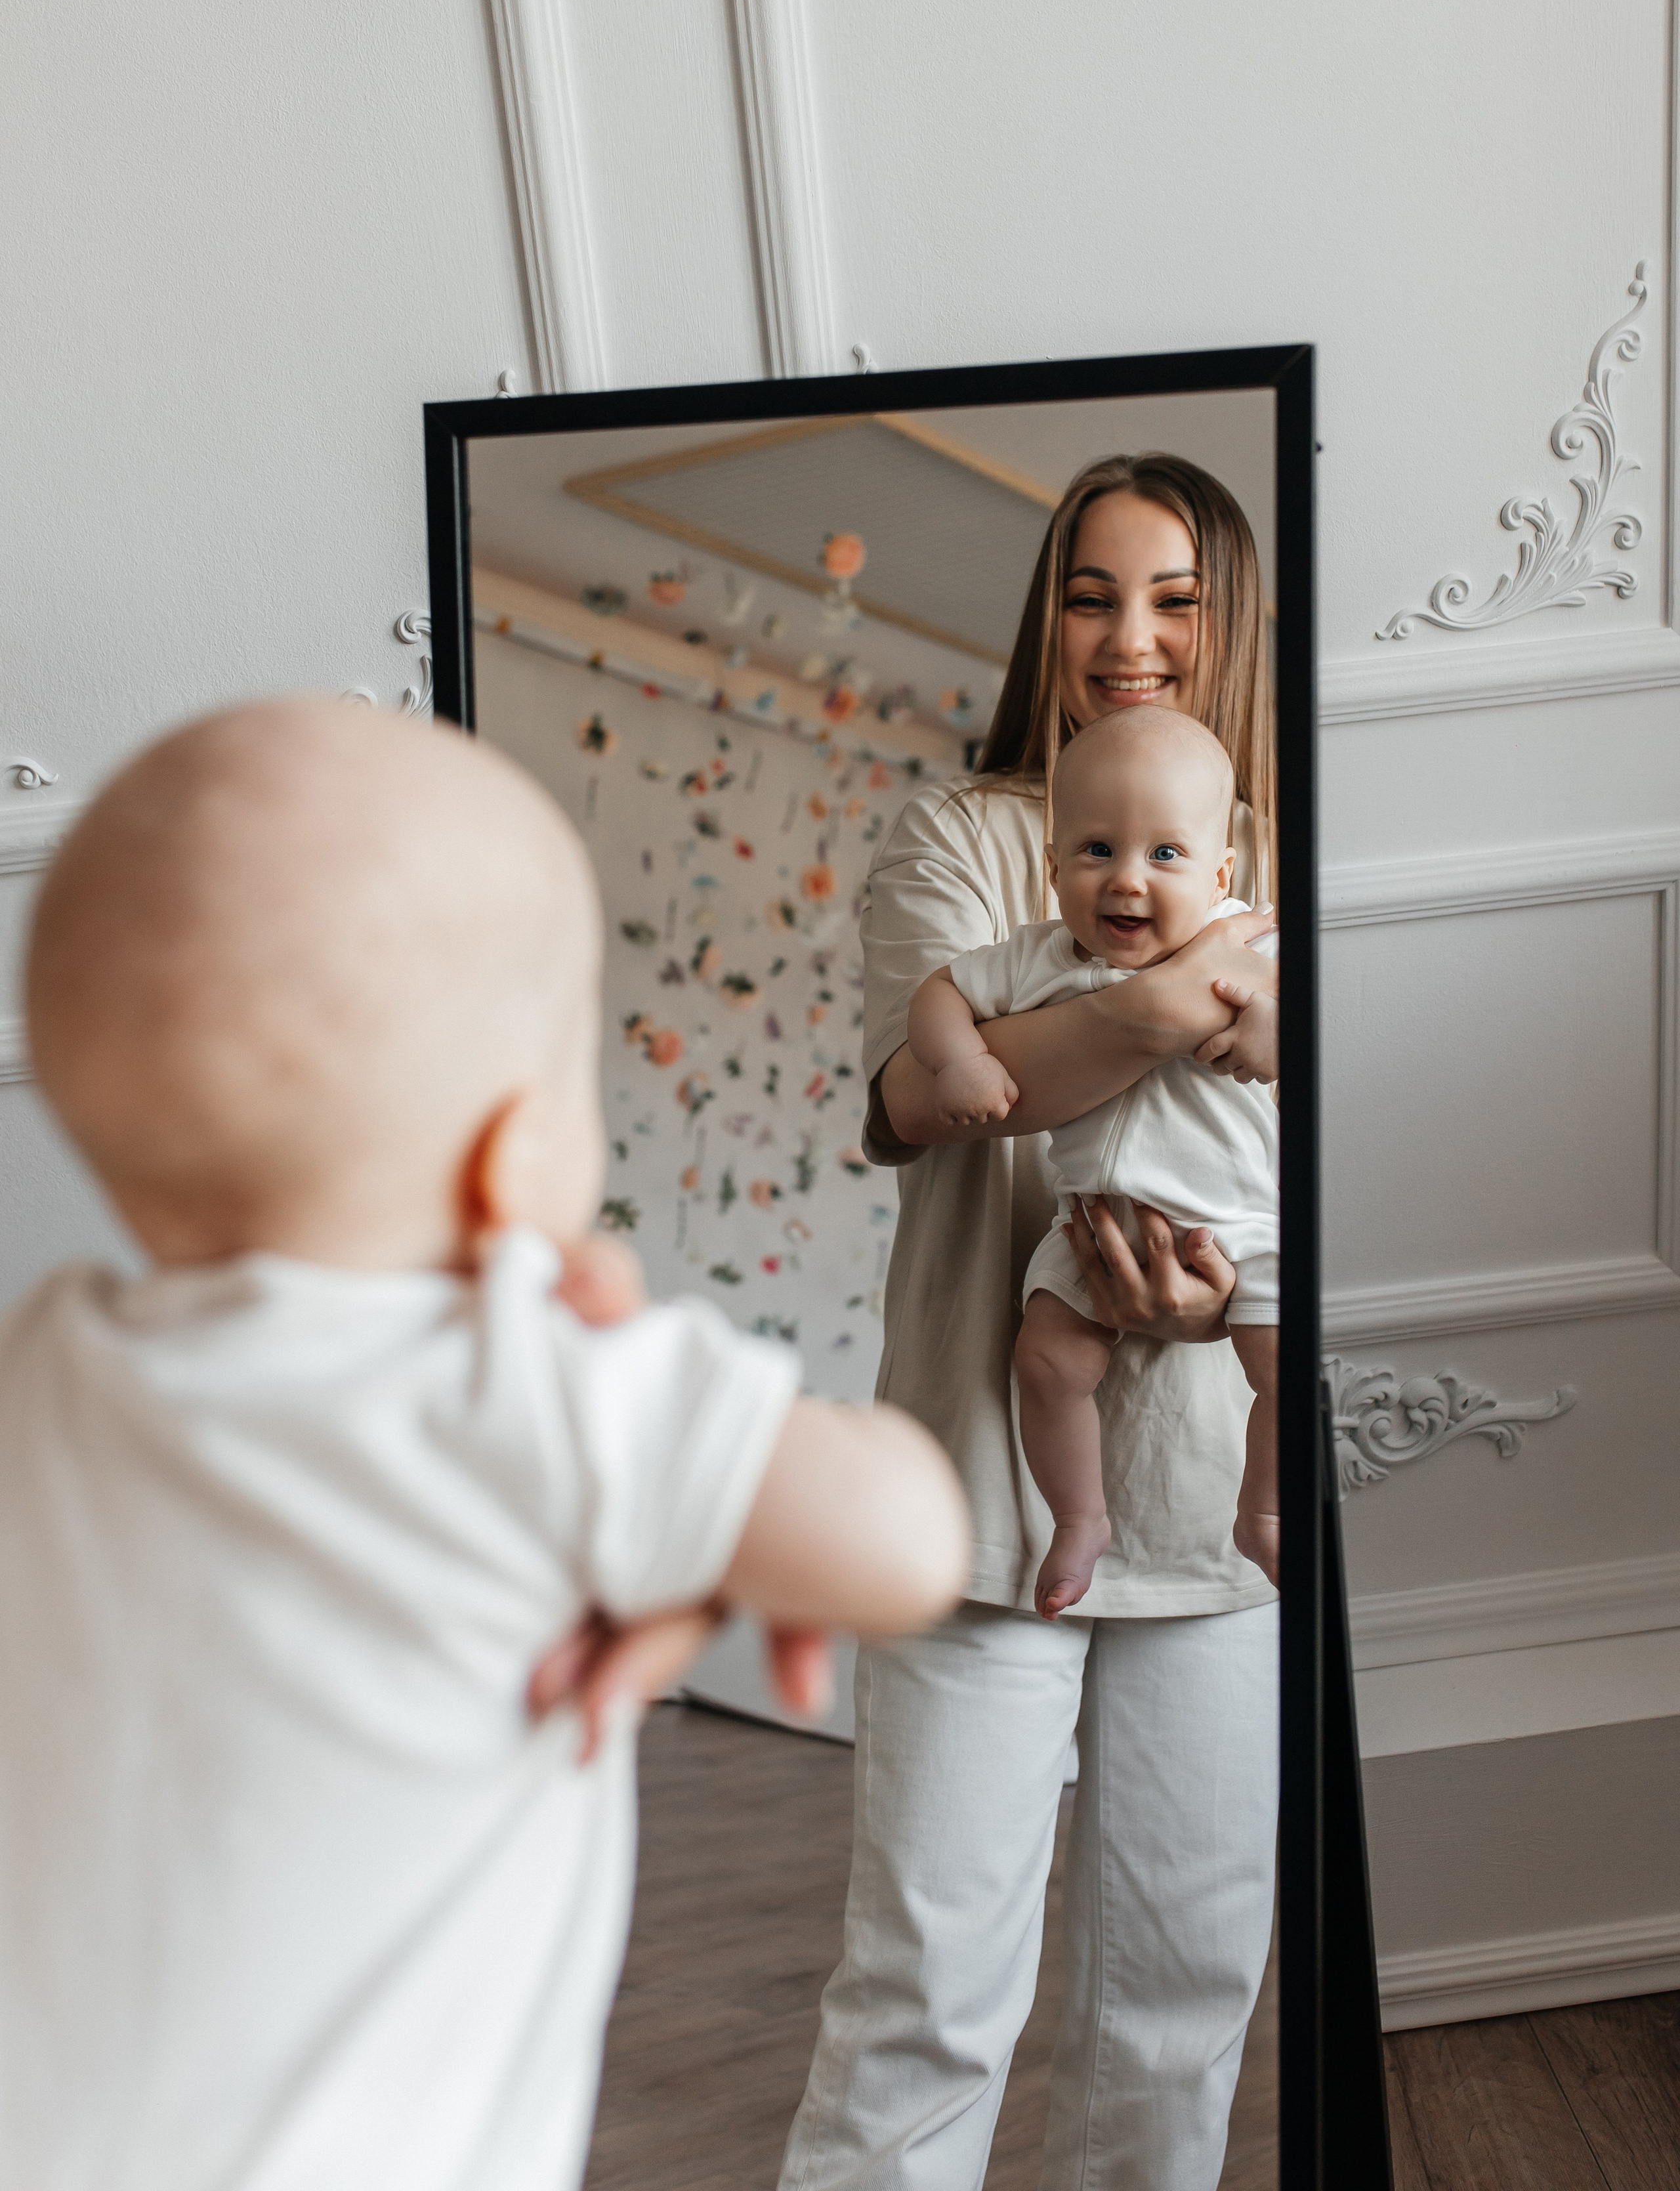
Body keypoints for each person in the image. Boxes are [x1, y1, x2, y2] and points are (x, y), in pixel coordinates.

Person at [0, 697, 970, 2191]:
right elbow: (907, 1545)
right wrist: (674, 1440)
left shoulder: (43, 1365)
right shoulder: (523, 1379)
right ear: (517, 1153)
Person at [778, 453, 1282, 2191]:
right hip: (970, 1496)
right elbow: (944, 1099)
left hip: (1218, 1523)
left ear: (1231, 627)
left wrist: (1231, 1294)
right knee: (924, 2005)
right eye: (1090, 592)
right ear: (1044, 613)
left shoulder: (1285, 861)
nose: (1129, 638)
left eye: (1173, 599)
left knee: (1177, 2011)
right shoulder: (963, 834)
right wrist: (1179, 995)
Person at [906, 704, 1280, 1619]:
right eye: (1097, 850)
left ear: (1220, 872)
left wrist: (1276, 1024)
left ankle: (1265, 1508)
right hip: (1091, 1226)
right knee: (1047, 1361)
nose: (1126, 882)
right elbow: (940, 992)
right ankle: (1079, 1517)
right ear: (1052, 867)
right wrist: (961, 1058)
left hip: (1242, 1228)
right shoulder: (1040, 959)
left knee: (1289, 1363)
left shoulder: (1242, 942)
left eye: (1165, 856)